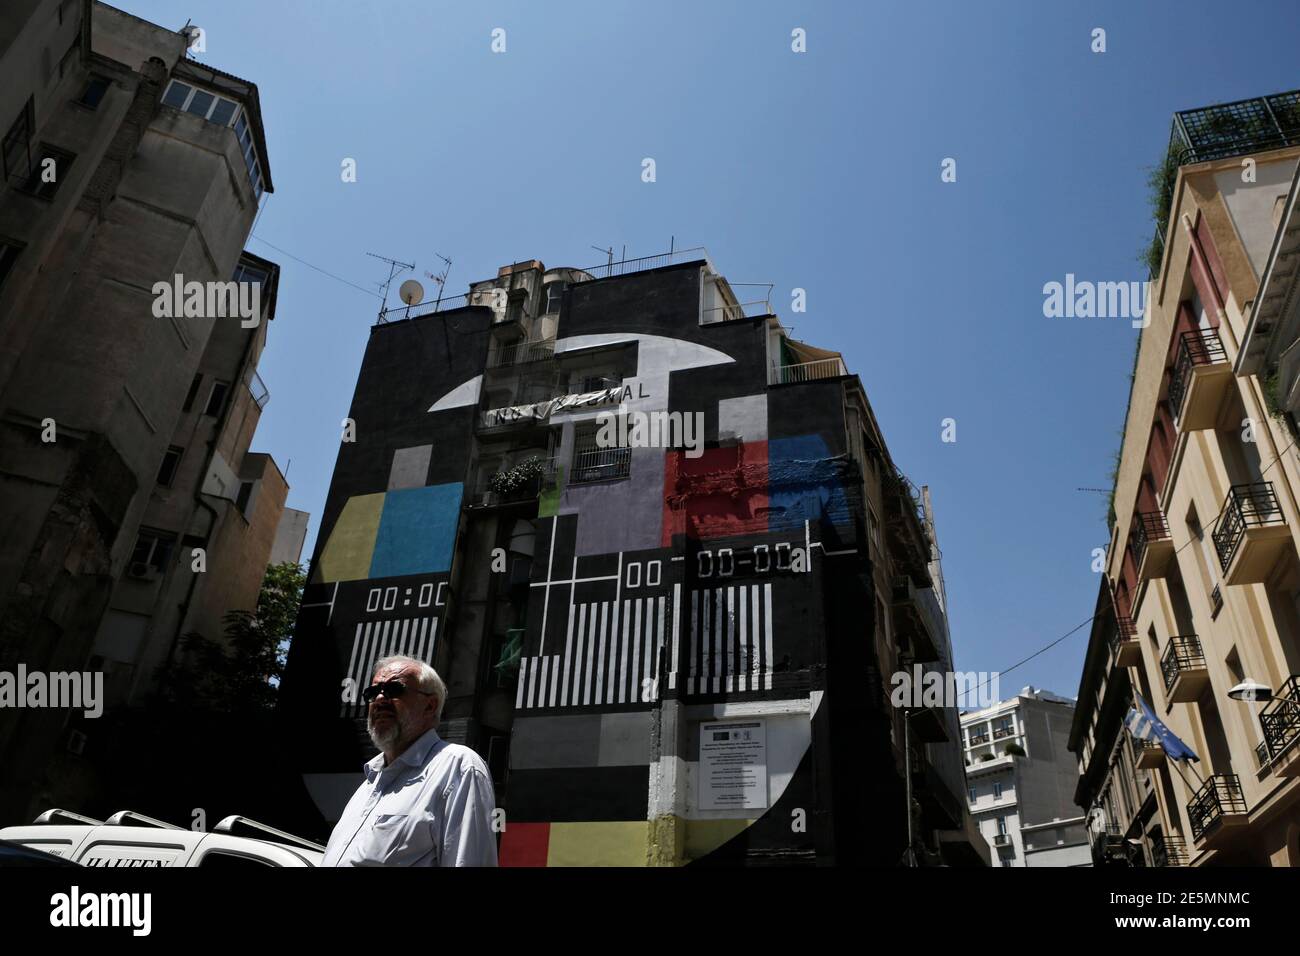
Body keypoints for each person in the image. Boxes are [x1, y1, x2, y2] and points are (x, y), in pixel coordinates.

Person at [321, 655, 498, 866]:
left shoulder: (458, 767)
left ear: (430, 706)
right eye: (372, 692)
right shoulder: (369, 783)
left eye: (394, 690)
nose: (379, 699)